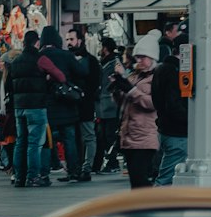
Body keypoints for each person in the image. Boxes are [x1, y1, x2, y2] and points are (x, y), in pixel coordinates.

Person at [8, 29, 65, 188]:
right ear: (37, 43)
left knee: (21, 142)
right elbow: (60, 76)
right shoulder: (40, 59)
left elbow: (10, 84)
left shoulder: (16, 61)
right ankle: (33, 177)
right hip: (36, 106)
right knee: (34, 143)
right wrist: (46, 77)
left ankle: (19, 177)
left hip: (19, 107)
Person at [115, 32, 159, 190]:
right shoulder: (134, 76)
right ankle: (140, 209)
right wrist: (118, 87)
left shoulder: (155, 78)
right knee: (135, 180)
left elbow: (152, 103)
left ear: (152, 57)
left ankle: (147, 207)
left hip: (145, 134)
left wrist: (131, 90)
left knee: (140, 178)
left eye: (143, 57)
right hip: (129, 134)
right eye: (137, 57)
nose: (139, 60)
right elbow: (122, 102)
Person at [40, 25, 83, 183]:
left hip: (47, 107)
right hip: (67, 105)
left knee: (45, 141)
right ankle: (73, 171)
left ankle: (44, 173)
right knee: (69, 139)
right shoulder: (66, 55)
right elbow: (81, 72)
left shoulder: (39, 56)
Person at [150, 29, 189, 186]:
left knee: (168, 174)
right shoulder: (173, 72)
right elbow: (173, 105)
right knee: (166, 177)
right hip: (177, 131)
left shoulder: (161, 69)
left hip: (166, 128)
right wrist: (190, 119)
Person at [66, 25, 100, 181]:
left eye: (71, 39)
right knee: (74, 138)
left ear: (80, 40)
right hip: (71, 106)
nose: (69, 42)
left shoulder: (91, 61)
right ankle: (75, 168)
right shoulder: (67, 58)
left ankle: (87, 168)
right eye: (67, 39)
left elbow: (95, 82)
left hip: (84, 105)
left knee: (87, 136)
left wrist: (87, 96)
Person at [94, 36, 122, 173]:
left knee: (110, 135)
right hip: (103, 105)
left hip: (111, 105)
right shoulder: (105, 62)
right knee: (104, 135)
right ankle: (110, 161)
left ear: (105, 48)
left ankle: (112, 162)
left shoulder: (114, 63)